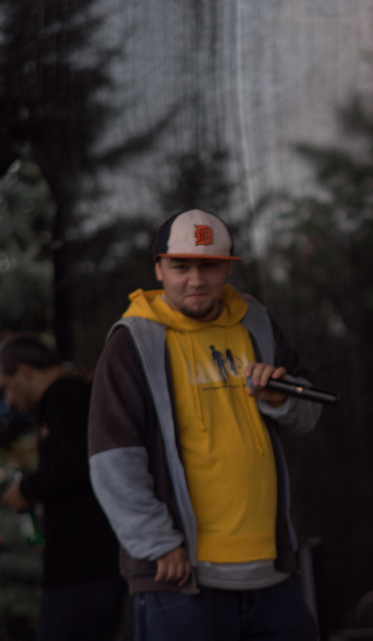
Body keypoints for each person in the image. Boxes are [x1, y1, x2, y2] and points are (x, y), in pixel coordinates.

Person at [87, 209, 321, 641]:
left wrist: (280, 397)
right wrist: (158, 545)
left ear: (228, 269)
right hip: (181, 574)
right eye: (181, 267)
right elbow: (112, 459)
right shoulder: (132, 341)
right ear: (159, 269)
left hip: (270, 569)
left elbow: (309, 410)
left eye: (209, 266)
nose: (196, 280)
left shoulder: (255, 320)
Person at [0, 332, 127, 641]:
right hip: (89, 568)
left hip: (83, 569)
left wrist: (27, 489)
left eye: (7, 386)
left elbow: (76, 463)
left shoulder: (66, 396)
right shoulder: (73, 393)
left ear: (24, 371)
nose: (9, 399)